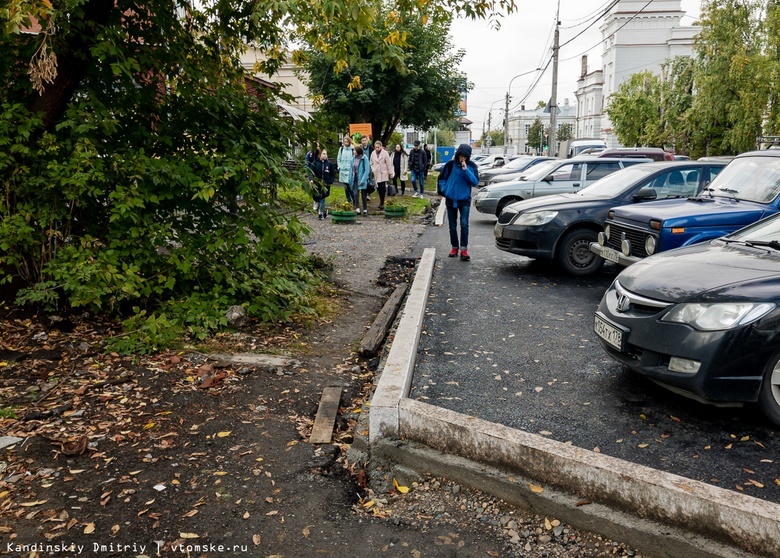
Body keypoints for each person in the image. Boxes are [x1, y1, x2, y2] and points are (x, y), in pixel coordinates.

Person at [438, 144, 479, 261]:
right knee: (452, 226)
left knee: (464, 224)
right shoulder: (450, 165)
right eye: (461, 156)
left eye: (465, 157)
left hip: (464, 200)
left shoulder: (471, 166)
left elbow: (475, 182)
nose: (463, 159)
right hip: (451, 199)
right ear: (457, 155)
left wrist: (466, 170)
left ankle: (464, 249)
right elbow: (442, 178)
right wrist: (445, 191)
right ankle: (454, 247)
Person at [311, 149, 336, 220]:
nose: (325, 155)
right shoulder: (315, 163)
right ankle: (320, 207)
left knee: (323, 197)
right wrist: (311, 179)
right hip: (317, 183)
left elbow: (332, 174)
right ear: (320, 155)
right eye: (323, 154)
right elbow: (311, 172)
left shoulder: (329, 164)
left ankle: (320, 212)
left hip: (326, 184)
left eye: (326, 154)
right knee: (317, 196)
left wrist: (331, 181)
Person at [370, 141, 394, 210]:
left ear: (381, 146)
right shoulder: (373, 153)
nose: (377, 148)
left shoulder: (385, 153)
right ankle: (380, 201)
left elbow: (388, 163)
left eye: (378, 147)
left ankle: (382, 202)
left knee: (382, 187)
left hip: (383, 172)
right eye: (376, 147)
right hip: (376, 173)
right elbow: (371, 162)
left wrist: (390, 173)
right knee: (378, 189)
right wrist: (373, 169)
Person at [350, 145, 371, 216]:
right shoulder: (353, 159)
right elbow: (351, 169)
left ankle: (365, 210)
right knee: (355, 194)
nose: (353, 152)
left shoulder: (364, 158)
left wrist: (363, 180)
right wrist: (350, 179)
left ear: (358, 151)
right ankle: (357, 209)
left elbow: (367, 170)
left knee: (363, 195)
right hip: (355, 178)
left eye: (354, 150)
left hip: (362, 178)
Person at [337, 136, 355, 205]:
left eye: (347, 141)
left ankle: (354, 198)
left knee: (349, 185)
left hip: (350, 170)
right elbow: (338, 159)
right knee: (345, 186)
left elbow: (354, 159)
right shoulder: (341, 149)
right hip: (343, 170)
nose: (346, 143)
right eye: (344, 142)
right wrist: (340, 166)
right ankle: (348, 200)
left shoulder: (352, 149)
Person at [305, 141, 320, 210]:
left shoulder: (320, 154)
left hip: (319, 172)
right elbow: (307, 164)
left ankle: (320, 201)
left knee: (320, 188)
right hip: (312, 173)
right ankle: (316, 201)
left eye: (318, 146)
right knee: (313, 188)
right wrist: (309, 173)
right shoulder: (309, 154)